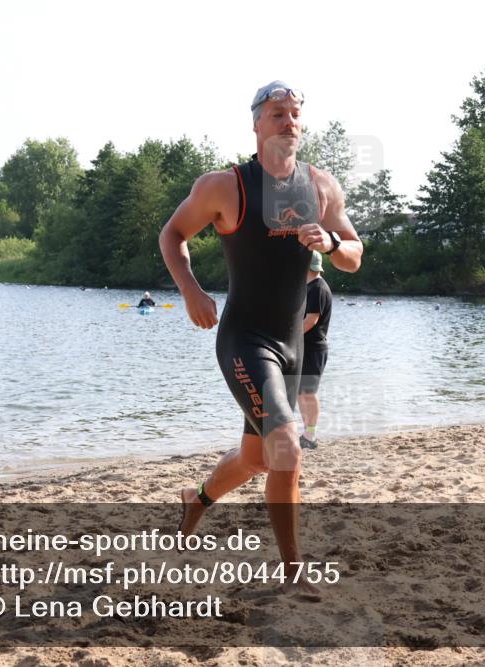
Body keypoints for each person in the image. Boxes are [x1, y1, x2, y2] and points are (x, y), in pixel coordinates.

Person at [158, 81, 362, 598]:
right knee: (287, 444)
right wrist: (191, 291)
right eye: (277, 113)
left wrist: (333, 241)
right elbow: (172, 234)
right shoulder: (224, 187)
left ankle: (197, 498)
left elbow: (354, 253)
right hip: (245, 339)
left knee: (256, 459)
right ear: (256, 124)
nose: (288, 122)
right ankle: (294, 571)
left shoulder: (321, 187)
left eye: (295, 114)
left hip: (290, 343)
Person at [298, 251, 333, 449]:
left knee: (308, 392)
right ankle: (306, 433)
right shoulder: (309, 287)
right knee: (300, 392)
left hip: (314, 348)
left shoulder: (318, 288)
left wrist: (291, 337)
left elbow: (311, 320)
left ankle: (311, 435)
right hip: (305, 347)